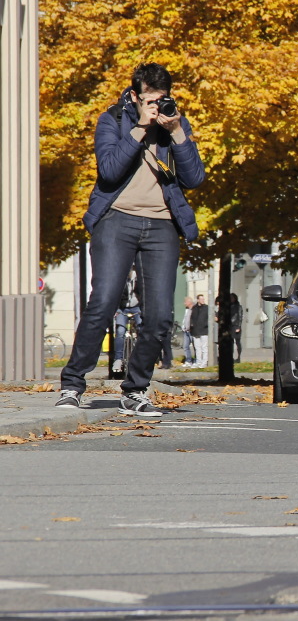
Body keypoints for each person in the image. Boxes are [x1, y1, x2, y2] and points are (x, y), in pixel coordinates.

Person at [55, 63, 206, 416]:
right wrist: (140, 127)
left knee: (159, 316)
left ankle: (136, 389)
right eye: (150, 100)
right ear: (135, 96)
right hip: (116, 219)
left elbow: (194, 178)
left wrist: (178, 132)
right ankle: (73, 383)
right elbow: (108, 171)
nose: (157, 105)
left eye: (163, 99)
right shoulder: (112, 119)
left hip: (161, 225)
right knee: (104, 300)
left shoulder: (174, 125)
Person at [190, 294, 210, 368]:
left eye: (203, 299)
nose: (203, 300)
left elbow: (209, 318)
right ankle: (198, 361)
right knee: (197, 347)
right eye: (201, 299)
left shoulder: (206, 308)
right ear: (198, 300)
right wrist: (191, 325)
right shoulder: (194, 308)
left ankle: (204, 362)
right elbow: (192, 317)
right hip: (195, 331)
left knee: (204, 347)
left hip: (204, 330)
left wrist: (205, 324)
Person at [180, 296, 195, 365]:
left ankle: (196, 360)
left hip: (192, 330)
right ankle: (188, 360)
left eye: (185, 302)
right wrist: (183, 327)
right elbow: (185, 319)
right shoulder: (187, 309)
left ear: (189, 302)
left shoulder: (194, 309)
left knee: (195, 346)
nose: (184, 303)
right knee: (185, 346)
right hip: (186, 330)